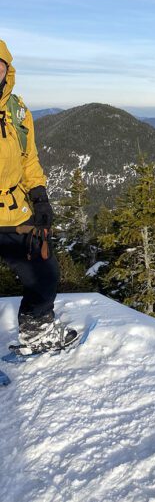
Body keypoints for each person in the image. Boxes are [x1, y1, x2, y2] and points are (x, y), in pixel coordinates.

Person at [0, 39, 76, 353]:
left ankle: (37, 332)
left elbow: (28, 157)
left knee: (44, 275)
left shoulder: (17, 110)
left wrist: (39, 193)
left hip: (15, 211)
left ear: (7, 70)